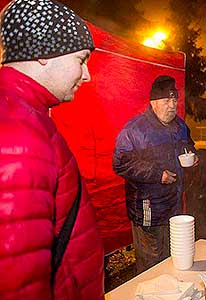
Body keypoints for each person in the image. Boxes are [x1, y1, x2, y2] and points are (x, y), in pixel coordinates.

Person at [0, 1, 104, 299]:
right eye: (81, 59)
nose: (87, 75)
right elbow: (19, 284)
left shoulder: (26, 115)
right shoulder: (19, 132)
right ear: (44, 53)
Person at [112, 75, 198, 274]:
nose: (172, 105)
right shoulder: (135, 129)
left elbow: (190, 148)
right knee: (152, 266)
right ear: (153, 103)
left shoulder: (180, 126)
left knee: (173, 259)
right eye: (166, 101)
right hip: (148, 208)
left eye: (174, 100)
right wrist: (158, 174)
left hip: (174, 206)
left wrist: (194, 158)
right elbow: (121, 164)